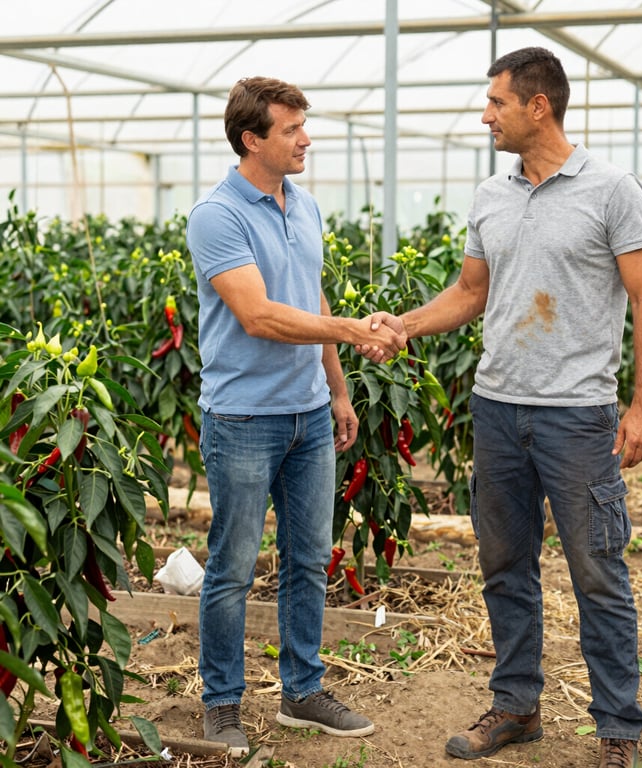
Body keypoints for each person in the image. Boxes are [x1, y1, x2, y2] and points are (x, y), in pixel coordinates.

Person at [367, 47, 642, 768]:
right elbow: (471, 294)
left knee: (597, 572)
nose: (485, 114)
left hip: (577, 415)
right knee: (505, 565)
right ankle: (516, 707)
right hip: (498, 409)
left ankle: (618, 730)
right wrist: (403, 324)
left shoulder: (611, 190)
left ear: (539, 106)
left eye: (496, 102)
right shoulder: (492, 194)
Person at [186, 76, 405, 756]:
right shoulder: (216, 214)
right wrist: (349, 330)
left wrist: (336, 389)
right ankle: (222, 703)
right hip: (245, 419)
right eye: (291, 129)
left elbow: (307, 299)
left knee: (309, 560)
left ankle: (301, 692)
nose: (306, 138)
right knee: (233, 566)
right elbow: (258, 316)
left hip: (309, 416)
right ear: (254, 139)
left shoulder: (304, 206)